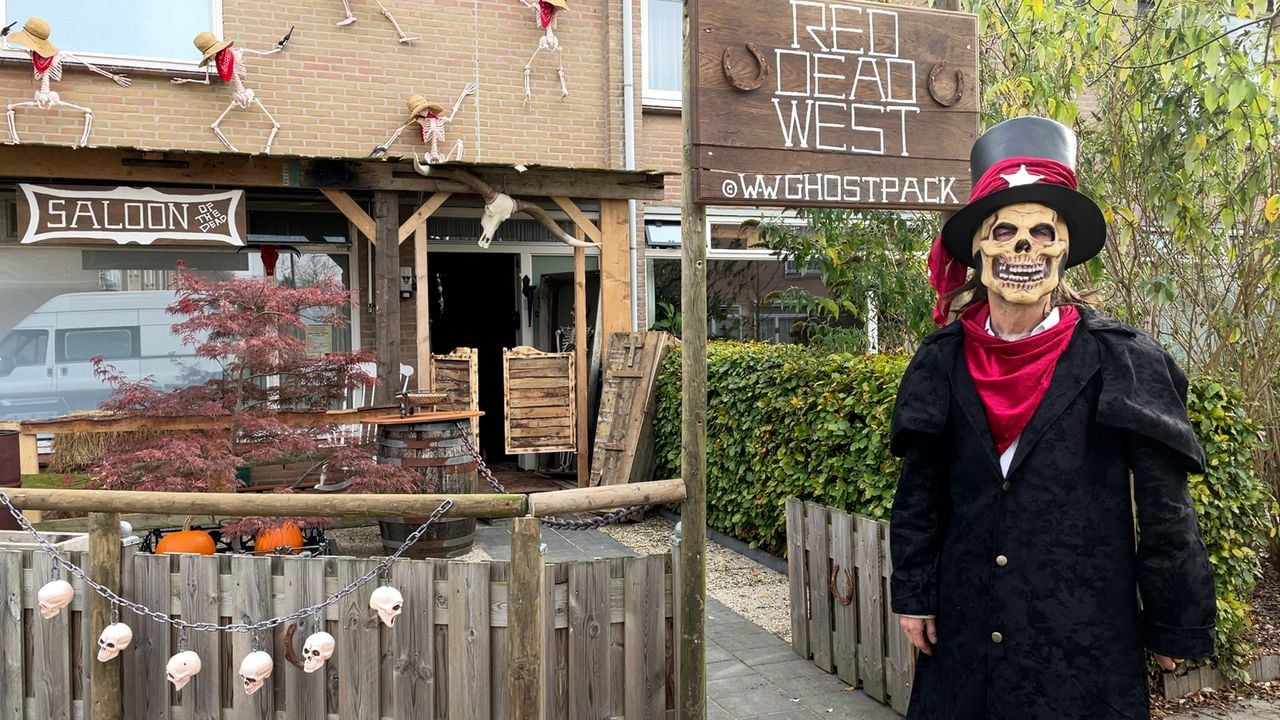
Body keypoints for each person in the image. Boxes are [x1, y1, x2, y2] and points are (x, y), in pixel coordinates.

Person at [888, 116, 1216, 720]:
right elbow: (919, 492)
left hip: (1082, 634)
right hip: (967, 626)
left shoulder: (1123, 358)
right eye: (1004, 232)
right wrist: (913, 594)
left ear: (1064, 250)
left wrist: (1176, 619)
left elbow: (1167, 509)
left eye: (1042, 233)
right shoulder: (940, 361)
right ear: (979, 249)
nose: (1023, 249)